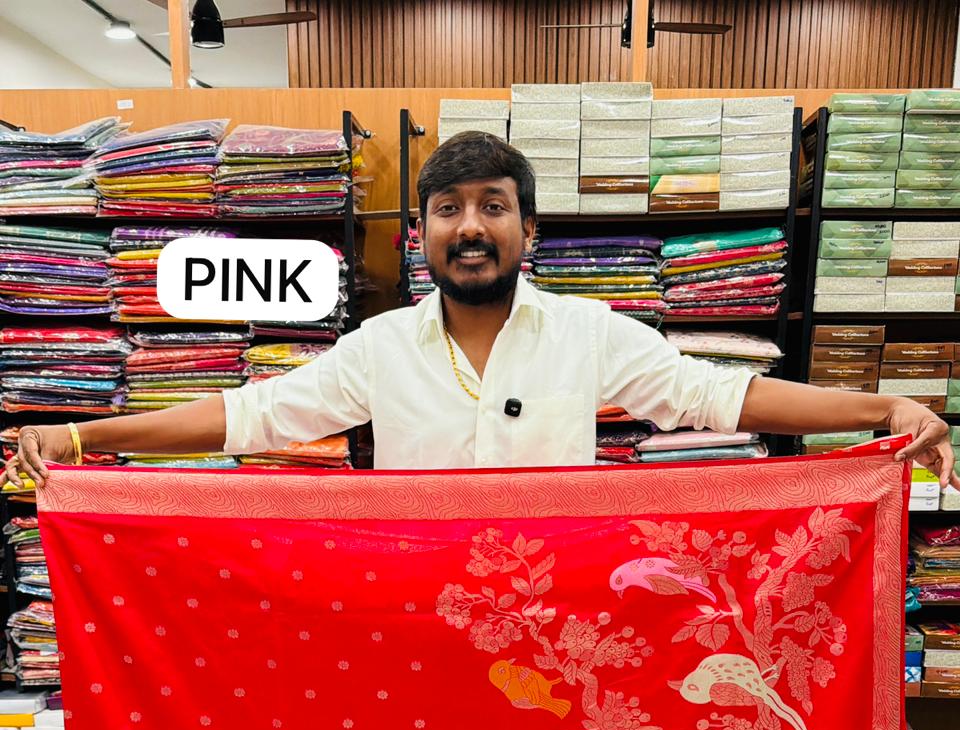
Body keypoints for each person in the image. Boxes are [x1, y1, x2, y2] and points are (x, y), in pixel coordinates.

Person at [7, 131, 957, 489]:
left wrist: (882, 408)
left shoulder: (588, 333)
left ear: (527, 230)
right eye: (449, 209)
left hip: (554, 614)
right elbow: (248, 418)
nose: (470, 227)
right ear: (419, 232)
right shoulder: (379, 346)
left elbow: (725, 398)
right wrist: (84, 436)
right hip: (415, 610)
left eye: (493, 207)